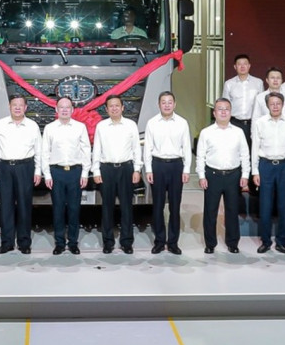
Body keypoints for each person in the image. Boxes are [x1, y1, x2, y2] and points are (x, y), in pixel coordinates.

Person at [196, 98, 250, 254]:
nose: (224, 112)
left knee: (232, 211)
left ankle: (232, 243)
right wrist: (201, 176)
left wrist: (245, 175)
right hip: (212, 175)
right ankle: (210, 243)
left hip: (233, 175)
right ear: (214, 113)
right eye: (220, 109)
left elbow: (245, 155)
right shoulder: (206, 132)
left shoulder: (238, 132)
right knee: (210, 211)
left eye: (227, 109)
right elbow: (200, 156)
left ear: (231, 112)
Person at [0, 95, 42, 254]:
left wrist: (38, 171)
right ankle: (6, 243)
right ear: (9, 106)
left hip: (25, 168)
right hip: (4, 168)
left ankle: (24, 243)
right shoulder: (0, 125)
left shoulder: (32, 126)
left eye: (21, 105)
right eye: (14, 105)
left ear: (26, 107)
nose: (18, 108)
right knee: (6, 206)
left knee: (24, 206)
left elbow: (39, 150)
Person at [93, 96, 142, 254]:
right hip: (106, 169)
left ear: (122, 107)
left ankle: (126, 242)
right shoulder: (101, 126)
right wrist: (96, 170)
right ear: (106, 109)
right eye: (111, 106)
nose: (114, 108)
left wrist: (137, 169)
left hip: (126, 169)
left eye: (117, 105)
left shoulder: (131, 125)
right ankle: (108, 242)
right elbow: (97, 149)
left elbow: (136, 149)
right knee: (107, 207)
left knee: (126, 207)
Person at [144, 91, 191, 255]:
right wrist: (148, 169)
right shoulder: (152, 123)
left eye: (170, 102)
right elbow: (147, 148)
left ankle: (173, 242)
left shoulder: (182, 123)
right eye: (163, 102)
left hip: (176, 166)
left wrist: (186, 169)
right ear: (159, 105)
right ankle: (159, 241)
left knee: (174, 206)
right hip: (157, 165)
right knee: (157, 206)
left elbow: (187, 147)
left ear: (174, 104)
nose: (167, 105)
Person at [41, 97, 89, 255]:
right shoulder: (50, 128)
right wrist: (47, 174)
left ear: (72, 110)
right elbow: (45, 152)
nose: (64, 110)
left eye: (67, 107)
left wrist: (85, 172)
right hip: (56, 172)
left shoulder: (80, 127)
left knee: (74, 209)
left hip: (75, 172)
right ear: (56, 109)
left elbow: (86, 150)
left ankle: (73, 243)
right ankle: (59, 243)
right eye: (61, 107)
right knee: (58, 209)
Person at [251, 92, 285, 254]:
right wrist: (255, 171)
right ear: (267, 106)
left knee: (284, 205)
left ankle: (282, 242)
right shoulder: (260, 123)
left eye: (278, 103)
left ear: (283, 105)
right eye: (272, 104)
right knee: (265, 205)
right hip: (266, 165)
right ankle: (265, 241)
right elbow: (255, 148)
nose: (275, 106)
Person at [221, 54, 264, 143]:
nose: (242, 66)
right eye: (239, 64)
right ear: (235, 67)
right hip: (235, 123)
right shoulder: (229, 84)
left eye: (245, 64)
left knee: (253, 148)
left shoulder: (258, 83)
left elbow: (262, 104)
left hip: (253, 123)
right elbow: (225, 105)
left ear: (249, 66)